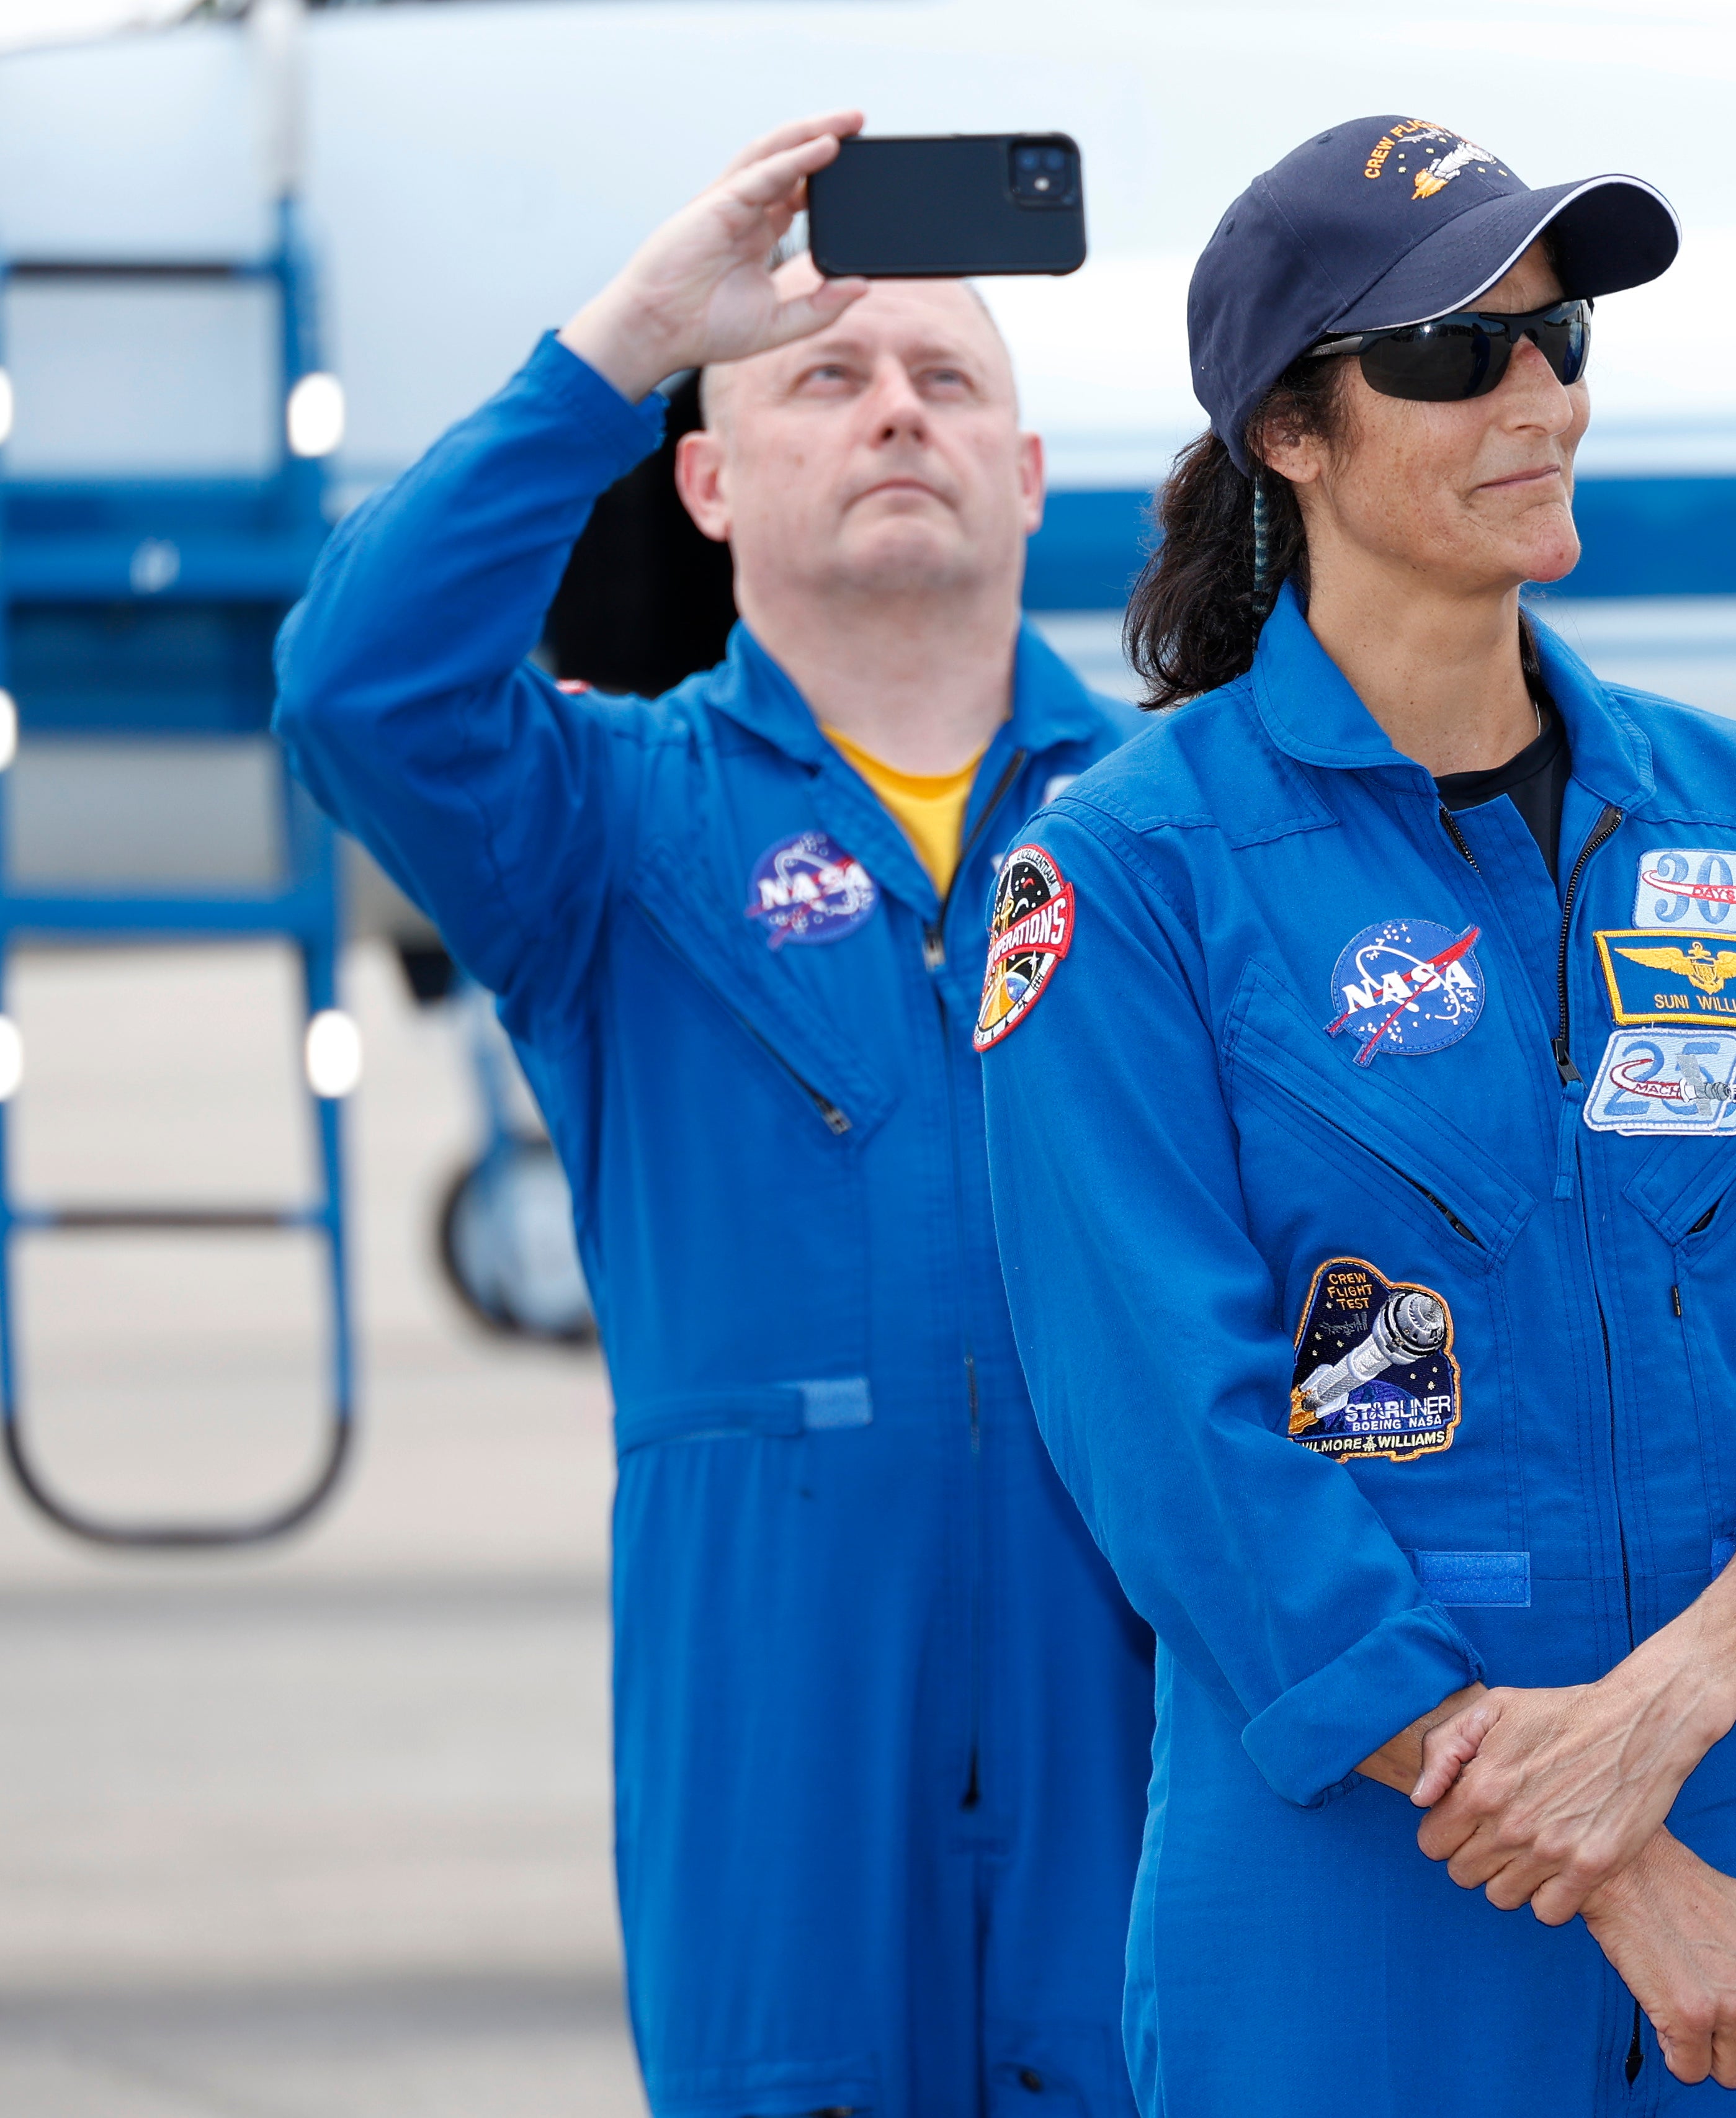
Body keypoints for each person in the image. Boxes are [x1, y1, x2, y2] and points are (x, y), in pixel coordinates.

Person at [975, 115, 1736, 2113]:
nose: (1538, 397)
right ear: (1291, 431)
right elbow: (1178, 1450)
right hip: (1363, 1840)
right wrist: (1610, 1862)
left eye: (1565, 336)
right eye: (1453, 352)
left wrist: (1666, 1715)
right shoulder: (1128, 874)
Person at [274, 113, 1155, 2117]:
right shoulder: (601, 826)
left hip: (1132, 1662)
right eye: (824, 375)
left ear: (1025, 480)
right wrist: (626, 335)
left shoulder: (1171, 835)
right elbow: (355, 688)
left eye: (949, 380)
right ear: (704, 478)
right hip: (774, 1690)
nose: (893, 412)